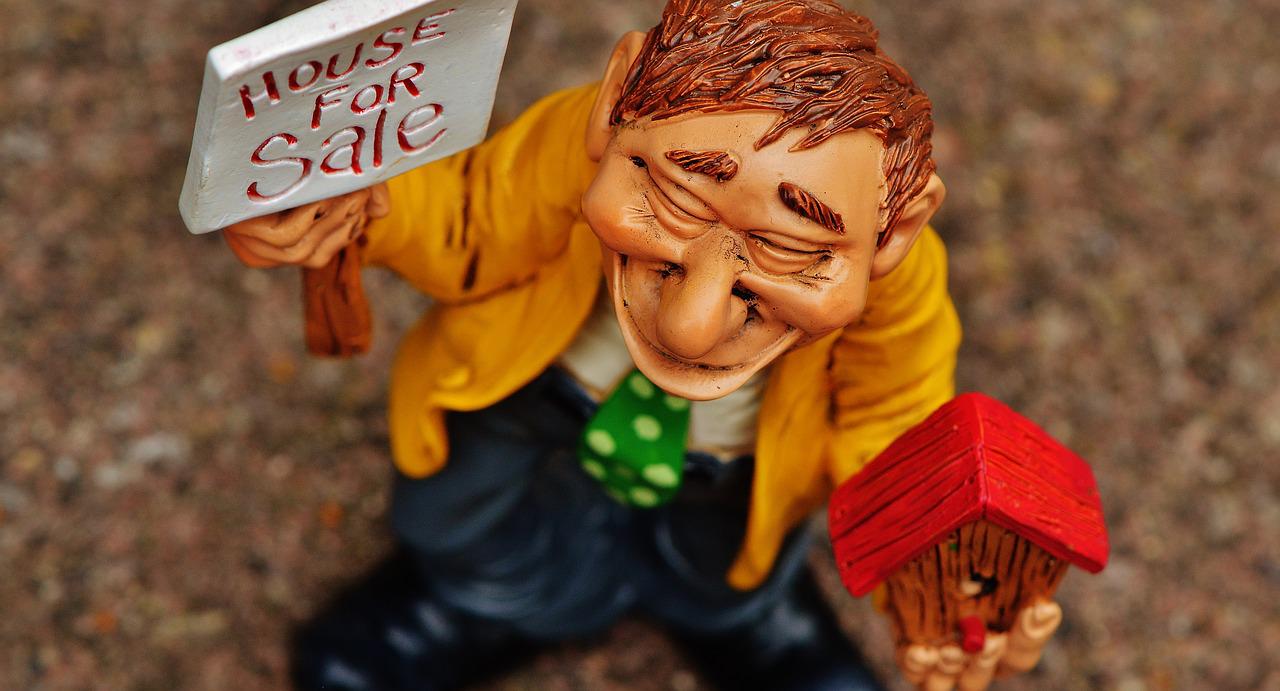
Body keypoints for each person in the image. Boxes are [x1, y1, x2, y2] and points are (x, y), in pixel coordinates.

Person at [224, 1, 1051, 689]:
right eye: (676, 201)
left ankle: (743, 616)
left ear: (897, 229)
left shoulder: (894, 281)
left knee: (722, 561)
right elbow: (469, 221)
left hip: (729, 465)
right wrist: (353, 205)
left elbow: (894, 415)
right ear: (615, 101)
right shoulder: (573, 150)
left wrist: (936, 564)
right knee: (475, 520)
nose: (690, 326)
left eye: (789, 250)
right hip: (539, 406)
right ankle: (475, 600)